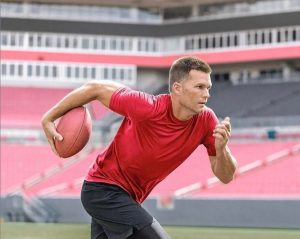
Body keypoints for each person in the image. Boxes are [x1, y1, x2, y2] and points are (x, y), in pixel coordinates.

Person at [41, 56, 237, 239]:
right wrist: (48, 117)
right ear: (177, 88)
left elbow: (226, 176)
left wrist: (222, 149)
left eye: (208, 87)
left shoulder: (206, 120)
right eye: (200, 87)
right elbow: (95, 88)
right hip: (102, 191)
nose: (207, 94)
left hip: (126, 199)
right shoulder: (147, 107)